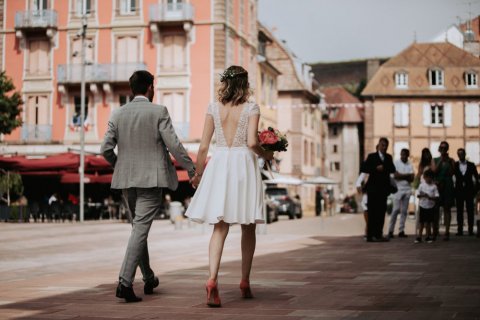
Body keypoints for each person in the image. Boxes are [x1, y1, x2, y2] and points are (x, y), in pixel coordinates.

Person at [101, 70, 196, 303]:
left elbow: (105, 149)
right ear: (150, 88)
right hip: (151, 181)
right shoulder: (159, 111)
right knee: (140, 229)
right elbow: (174, 145)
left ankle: (149, 277)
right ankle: (124, 282)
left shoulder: (118, 113)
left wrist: (120, 165)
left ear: (132, 89)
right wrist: (192, 169)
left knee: (137, 229)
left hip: (127, 181)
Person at [185, 65, 274, 307]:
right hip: (243, 164)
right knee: (248, 226)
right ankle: (244, 281)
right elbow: (253, 142)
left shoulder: (213, 107)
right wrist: (267, 154)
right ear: (245, 84)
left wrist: (197, 174)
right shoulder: (251, 107)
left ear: (225, 83)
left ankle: (212, 279)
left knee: (219, 226)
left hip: (220, 162)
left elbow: (203, 147)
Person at [362, 138, 396, 242]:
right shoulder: (372, 156)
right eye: (382, 145)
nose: (384, 147)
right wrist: (376, 168)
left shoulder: (389, 157)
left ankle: (379, 235)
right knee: (372, 212)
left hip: (383, 190)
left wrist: (384, 167)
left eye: (386, 145)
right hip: (372, 189)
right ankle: (370, 235)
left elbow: (393, 169)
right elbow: (365, 168)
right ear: (379, 145)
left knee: (381, 213)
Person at [431, 141, 455, 241]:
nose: (443, 150)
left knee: (447, 209)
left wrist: (448, 162)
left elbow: (452, 172)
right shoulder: (435, 159)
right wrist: (441, 160)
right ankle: (435, 231)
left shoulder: (451, 160)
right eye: (442, 148)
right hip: (437, 185)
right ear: (439, 149)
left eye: (445, 148)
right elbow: (434, 171)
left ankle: (447, 232)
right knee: (435, 209)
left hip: (448, 185)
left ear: (447, 149)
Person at [388, 148, 414, 238]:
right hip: (398, 189)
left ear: (407, 155)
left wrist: (401, 175)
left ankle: (401, 230)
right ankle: (390, 231)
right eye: (402, 154)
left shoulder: (410, 165)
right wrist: (406, 175)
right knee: (395, 210)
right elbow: (395, 175)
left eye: (405, 154)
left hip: (407, 189)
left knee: (404, 211)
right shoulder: (396, 163)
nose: (403, 156)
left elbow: (412, 178)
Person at [454, 148, 479, 236]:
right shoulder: (455, 165)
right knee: (459, 211)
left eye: (462, 153)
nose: (461, 155)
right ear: (457, 155)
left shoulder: (472, 165)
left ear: (465, 154)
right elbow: (452, 177)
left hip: (469, 191)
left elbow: (477, 178)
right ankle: (460, 230)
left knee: (470, 211)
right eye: (459, 154)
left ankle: (470, 230)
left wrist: (475, 190)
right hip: (459, 191)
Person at [416, 169, 439, 243]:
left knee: (428, 222)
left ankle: (427, 236)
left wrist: (429, 197)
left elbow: (437, 197)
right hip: (422, 206)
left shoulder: (434, 186)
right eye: (427, 177)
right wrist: (423, 195)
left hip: (430, 206)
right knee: (421, 222)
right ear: (424, 177)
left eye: (430, 177)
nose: (429, 179)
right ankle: (419, 236)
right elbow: (418, 194)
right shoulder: (421, 185)